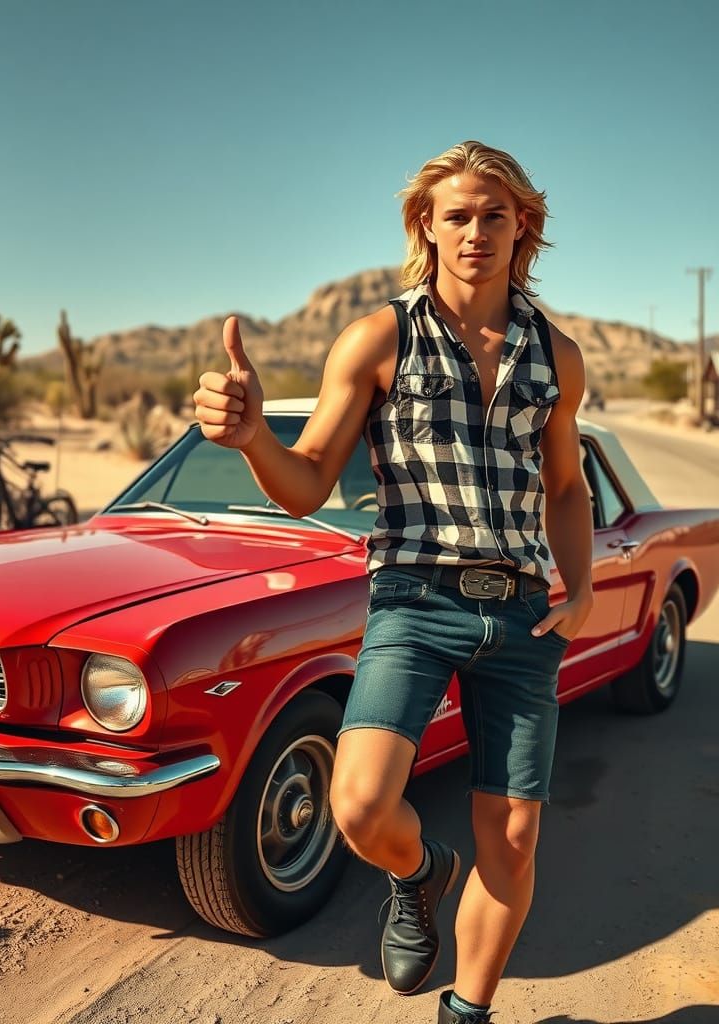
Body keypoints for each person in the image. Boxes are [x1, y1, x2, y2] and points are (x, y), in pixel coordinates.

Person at [193, 140, 593, 1024]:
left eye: (495, 214)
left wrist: (584, 587)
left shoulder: (555, 355)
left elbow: (565, 487)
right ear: (428, 225)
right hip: (415, 602)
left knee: (517, 840)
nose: (477, 231)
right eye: (458, 215)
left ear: (522, 222)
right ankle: (419, 873)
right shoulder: (381, 336)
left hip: (522, 615)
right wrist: (254, 436)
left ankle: (469, 1012)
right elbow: (304, 483)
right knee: (362, 803)